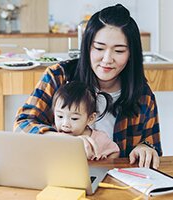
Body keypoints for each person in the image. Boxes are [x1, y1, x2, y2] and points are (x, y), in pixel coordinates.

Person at [14, 4, 162, 168]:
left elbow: (151, 144)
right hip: (59, 172)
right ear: (87, 47)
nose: (107, 59)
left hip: (116, 182)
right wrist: (61, 138)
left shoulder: (142, 94)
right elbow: (22, 125)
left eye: (119, 51)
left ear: (130, 54)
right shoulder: (59, 76)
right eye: (99, 48)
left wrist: (145, 148)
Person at [52, 81, 120, 160]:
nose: (65, 124)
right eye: (60, 116)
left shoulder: (99, 139)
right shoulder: (53, 135)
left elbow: (115, 151)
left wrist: (105, 162)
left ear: (90, 118)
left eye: (74, 118)